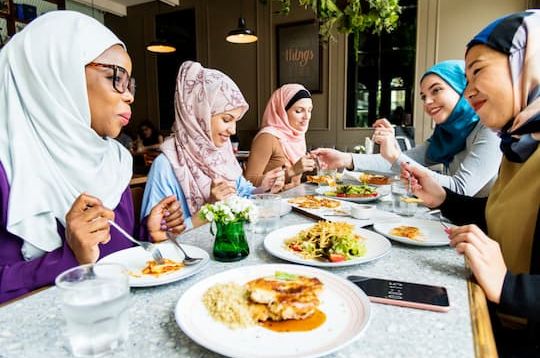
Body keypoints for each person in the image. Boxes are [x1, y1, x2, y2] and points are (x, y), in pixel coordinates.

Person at [0, 11, 184, 304]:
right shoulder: (7, 168)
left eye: (129, 83)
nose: (129, 96)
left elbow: (115, 253)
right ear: (56, 77)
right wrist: (68, 258)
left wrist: (147, 232)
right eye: (115, 78)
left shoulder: (113, 161)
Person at [403, 10, 539, 356]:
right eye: (466, 78)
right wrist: (444, 199)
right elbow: (503, 216)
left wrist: (511, 288)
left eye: (477, 70)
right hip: (498, 322)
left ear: (528, 63)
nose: (469, 89)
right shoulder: (519, 144)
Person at [313, 60, 502, 197]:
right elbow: (393, 162)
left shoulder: (490, 128)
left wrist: (396, 155)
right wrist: (345, 159)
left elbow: (462, 188)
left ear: (463, 88)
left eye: (436, 90)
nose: (427, 101)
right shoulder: (445, 134)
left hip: (485, 230)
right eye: (423, 96)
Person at [141, 61, 285, 229]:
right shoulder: (166, 165)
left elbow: (242, 192)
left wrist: (262, 188)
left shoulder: (221, 152)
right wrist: (209, 209)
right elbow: (156, 235)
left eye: (235, 121)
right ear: (199, 114)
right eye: (226, 119)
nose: (233, 130)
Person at [244, 84, 317, 190]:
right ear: (281, 111)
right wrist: (292, 171)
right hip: (269, 204)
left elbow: (293, 180)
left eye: (309, 110)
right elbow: (248, 182)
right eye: (299, 111)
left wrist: (314, 167)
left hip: (293, 201)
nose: (306, 117)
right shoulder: (267, 137)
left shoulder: (297, 136)